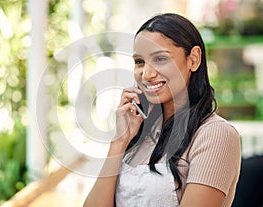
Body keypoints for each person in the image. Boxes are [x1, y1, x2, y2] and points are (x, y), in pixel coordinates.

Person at [83, 13, 241, 207]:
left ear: (193, 59)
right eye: (139, 62)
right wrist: (119, 141)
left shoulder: (215, 134)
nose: (147, 74)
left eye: (160, 58)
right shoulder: (138, 136)